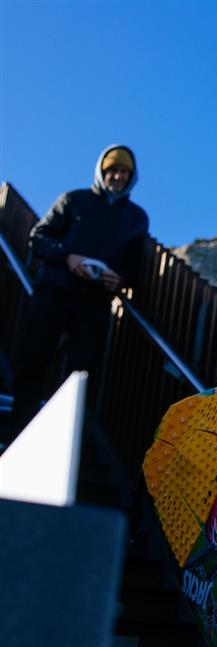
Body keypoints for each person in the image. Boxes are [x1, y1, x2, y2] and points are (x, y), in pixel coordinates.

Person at [7, 144, 148, 436]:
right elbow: (39, 237)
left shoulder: (137, 218)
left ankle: (60, 438)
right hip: (54, 290)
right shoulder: (74, 199)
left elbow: (135, 268)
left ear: (131, 177)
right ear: (101, 172)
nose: (118, 176)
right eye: (113, 170)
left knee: (80, 374)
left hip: (94, 304)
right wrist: (67, 257)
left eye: (124, 171)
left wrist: (120, 280)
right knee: (32, 359)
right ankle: (18, 430)